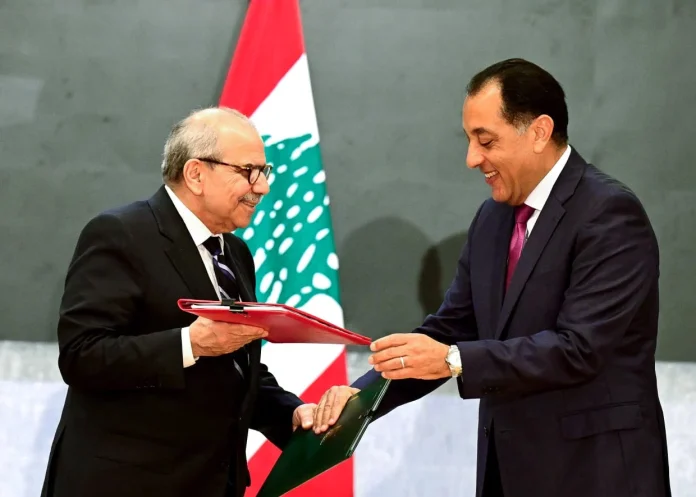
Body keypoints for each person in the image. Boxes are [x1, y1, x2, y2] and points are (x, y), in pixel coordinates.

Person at [314, 59, 671, 497]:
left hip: (595, 474)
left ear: (539, 131)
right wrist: (361, 398)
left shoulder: (609, 213)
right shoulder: (492, 218)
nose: (472, 159)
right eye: (469, 140)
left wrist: (454, 360)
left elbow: (579, 348)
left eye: (486, 141)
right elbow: (453, 328)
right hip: (509, 473)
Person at [41, 107, 316, 497]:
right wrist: (190, 344)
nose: (263, 187)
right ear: (196, 174)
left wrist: (290, 412)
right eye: (248, 171)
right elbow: (81, 355)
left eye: (264, 171)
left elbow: (233, 367)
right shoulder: (121, 234)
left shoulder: (235, 253)